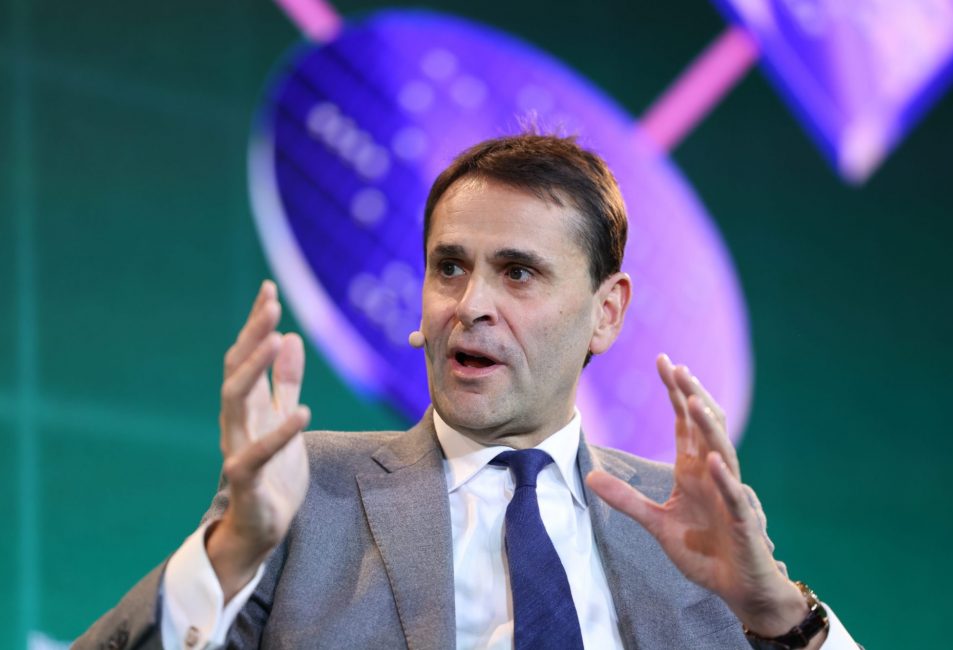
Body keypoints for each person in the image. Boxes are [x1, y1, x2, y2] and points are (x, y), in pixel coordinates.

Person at [76, 134, 859, 649]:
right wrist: (231, 552)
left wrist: (777, 613)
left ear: (606, 312)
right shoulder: (309, 492)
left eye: (518, 272)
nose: (470, 304)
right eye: (449, 267)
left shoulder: (686, 523)